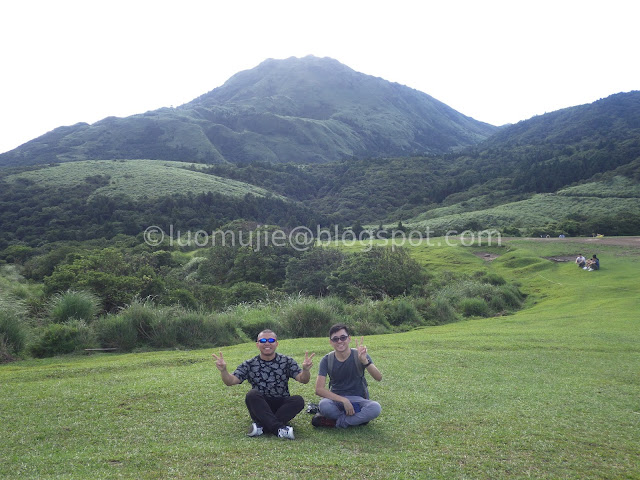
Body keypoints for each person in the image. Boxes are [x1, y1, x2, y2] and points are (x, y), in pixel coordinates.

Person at [211, 329, 315, 440]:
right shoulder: (250, 364)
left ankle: (262, 428)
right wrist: (223, 370)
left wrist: (305, 370)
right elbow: (230, 381)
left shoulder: (286, 361)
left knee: (298, 400)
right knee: (252, 395)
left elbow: (303, 379)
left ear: (276, 343)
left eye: (271, 340)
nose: (267, 343)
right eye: (263, 340)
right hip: (260, 406)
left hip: (281, 405)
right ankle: (279, 428)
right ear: (257, 344)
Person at [312, 323, 382, 428]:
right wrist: (344, 400)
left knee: (375, 408)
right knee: (324, 405)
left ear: (349, 339)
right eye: (335, 339)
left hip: (358, 399)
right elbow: (319, 390)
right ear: (331, 342)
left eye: (343, 337)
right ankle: (356, 420)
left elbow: (378, 377)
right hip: (336, 400)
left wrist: (365, 361)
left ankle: (338, 422)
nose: (339, 341)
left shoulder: (360, 355)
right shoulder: (327, 360)